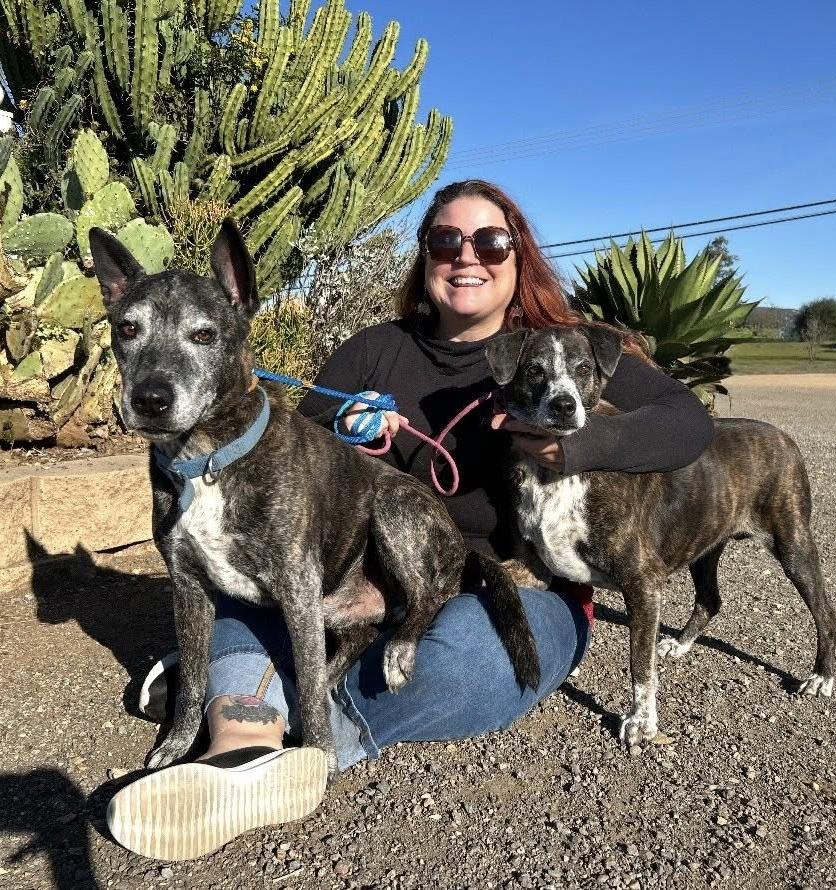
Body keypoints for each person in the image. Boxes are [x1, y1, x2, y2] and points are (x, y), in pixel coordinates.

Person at [107, 179, 714, 860]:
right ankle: (240, 748)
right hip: (352, 572)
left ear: (520, 256)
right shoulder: (376, 349)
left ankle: (306, 735)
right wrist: (343, 424)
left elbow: (687, 422)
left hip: (511, 585)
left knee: (471, 658)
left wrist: (575, 443)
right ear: (425, 257)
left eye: (490, 241)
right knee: (253, 576)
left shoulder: (563, 348)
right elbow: (286, 462)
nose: (467, 257)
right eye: (444, 240)